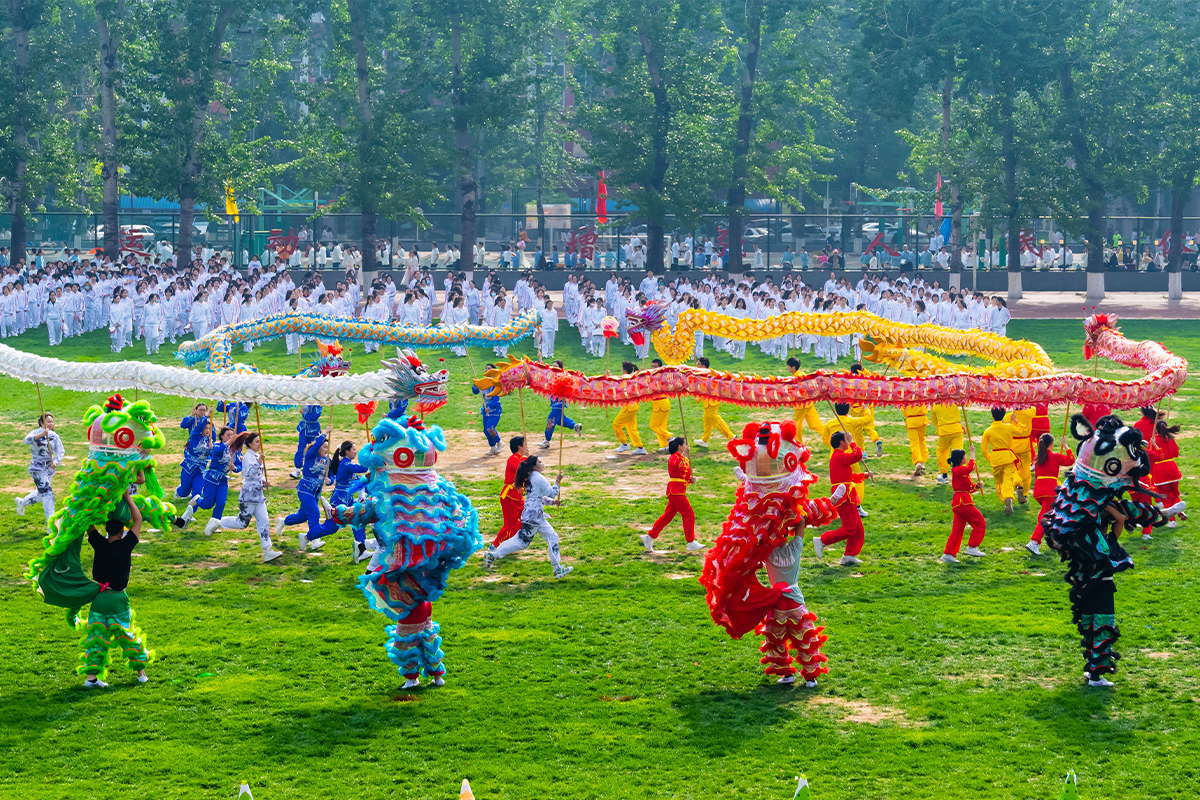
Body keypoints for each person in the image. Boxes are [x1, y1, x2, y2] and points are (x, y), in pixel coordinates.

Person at [80, 486, 151, 689]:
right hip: (117, 599)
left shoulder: (98, 543)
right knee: (127, 635)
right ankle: (141, 674)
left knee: (96, 636)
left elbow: (89, 524)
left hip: (99, 598)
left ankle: (91, 678)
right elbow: (138, 520)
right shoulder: (125, 544)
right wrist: (127, 497)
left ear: (107, 530)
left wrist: (94, 503)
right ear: (121, 531)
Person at [483, 455, 573, 578]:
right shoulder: (539, 478)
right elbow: (551, 493)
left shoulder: (530, 477)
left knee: (552, 536)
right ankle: (494, 555)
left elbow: (539, 496)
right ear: (534, 466)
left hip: (534, 514)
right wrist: (557, 481)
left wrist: (553, 503)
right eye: (540, 462)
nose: (542, 463)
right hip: (534, 515)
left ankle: (557, 568)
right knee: (521, 542)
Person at [204, 432, 284, 563]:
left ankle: (267, 551)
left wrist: (264, 482)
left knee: (264, 521)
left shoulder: (257, 456)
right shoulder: (248, 457)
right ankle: (217, 522)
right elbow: (248, 472)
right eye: (257, 442)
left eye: (260, 441)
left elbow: (258, 474)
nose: (259, 444)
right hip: (249, 496)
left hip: (258, 496)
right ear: (249, 444)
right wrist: (259, 461)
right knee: (242, 523)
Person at [812, 430, 871, 566]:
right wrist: (853, 442)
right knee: (850, 528)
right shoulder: (839, 456)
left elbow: (847, 478)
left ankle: (849, 555)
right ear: (841, 442)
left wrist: (863, 476)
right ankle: (822, 540)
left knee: (858, 529)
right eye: (846, 439)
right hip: (843, 497)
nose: (848, 440)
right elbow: (857, 455)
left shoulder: (839, 457)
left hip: (847, 495)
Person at [639, 438, 704, 551]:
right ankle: (690, 542)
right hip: (675, 491)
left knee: (667, 517)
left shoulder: (683, 459)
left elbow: (684, 476)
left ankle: (649, 537)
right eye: (684, 444)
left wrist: (690, 480)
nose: (686, 446)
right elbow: (676, 466)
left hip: (678, 490)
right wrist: (684, 455)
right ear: (680, 446)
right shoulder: (674, 457)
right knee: (688, 514)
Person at [275, 433, 334, 552]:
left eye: (327, 447)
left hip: (316, 492)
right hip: (305, 489)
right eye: (324, 447)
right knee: (314, 512)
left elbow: (332, 476)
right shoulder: (311, 456)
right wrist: (325, 432)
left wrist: (329, 481)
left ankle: (283, 521)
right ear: (318, 447)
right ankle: (314, 540)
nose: (326, 450)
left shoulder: (328, 461)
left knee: (302, 516)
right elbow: (316, 445)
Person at [174, 426, 240, 529]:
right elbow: (217, 451)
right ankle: (197, 499)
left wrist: (235, 468)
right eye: (228, 435)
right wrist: (228, 442)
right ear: (222, 436)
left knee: (221, 502)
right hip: (211, 479)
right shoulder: (217, 446)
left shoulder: (235, 450)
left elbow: (240, 465)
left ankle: (214, 525)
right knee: (208, 504)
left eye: (232, 435)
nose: (230, 437)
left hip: (223, 481)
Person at [1027, 433, 1076, 555]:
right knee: (1045, 517)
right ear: (1051, 444)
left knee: (1045, 515)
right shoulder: (1054, 455)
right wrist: (1065, 446)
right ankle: (1034, 541)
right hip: (1050, 489)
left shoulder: (1039, 457)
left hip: (1038, 489)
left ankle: (1052, 538)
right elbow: (1071, 460)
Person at [325, 439, 372, 563]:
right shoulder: (346, 465)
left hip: (348, 498)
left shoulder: (347, 464)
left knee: (358, 520)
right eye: (354, 450)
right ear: (347, 452)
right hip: (340, 498)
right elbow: (363, 468)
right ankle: (309, 537)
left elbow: (358, 480)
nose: (355, 452)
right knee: (332, 526)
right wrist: (371, 456)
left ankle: (361, 548)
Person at [16, 413, 65, 522]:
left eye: (52, 422)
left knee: (41, 495)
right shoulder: (35, 433)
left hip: (49, 469)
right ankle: (51, 524)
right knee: (48, 494)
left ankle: (22, 502)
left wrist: (56, 462)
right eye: (48, 422)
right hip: (37, 469)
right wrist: (42, 434)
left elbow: (61, 451)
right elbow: (26, 440)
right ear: (41, 423)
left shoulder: (54, 436)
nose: (51, 424)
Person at [941, 449, 987, 563]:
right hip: (963, 503)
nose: (966, 458)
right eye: (965, 456)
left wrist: (977, 486)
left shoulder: (961, 472)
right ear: (960, 459)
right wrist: (973, 454)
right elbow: (969, 468)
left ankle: (948, 553)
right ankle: (972, 547)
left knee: (957, 530)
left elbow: (970, 488)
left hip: (960, 503)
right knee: (980, 523)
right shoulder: (957, 469)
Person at [488, 436, 528, 556]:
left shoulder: (521, 459)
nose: (526, 445)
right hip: (510, 496)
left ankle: (509, 544)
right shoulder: (513, 459)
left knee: (527, 518)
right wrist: (526, 458)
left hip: (518, 496)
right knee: (509, 525)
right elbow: (521, 470)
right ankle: (494, 546)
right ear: (519, 446)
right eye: (524, 443)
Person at [980, 407, 1019, 514]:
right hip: (1008, 457)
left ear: (992, 416)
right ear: (1004, 414)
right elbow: (1022, 432)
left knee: (1000, 482)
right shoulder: (1009, 427)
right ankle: (1008, 497)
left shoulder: (988, 431)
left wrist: (989, 457)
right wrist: (1016, 422)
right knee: (1008, 480)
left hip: (996, 459)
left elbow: (984, 449)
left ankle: (1006, 498)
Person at [693, 356, 734, 448]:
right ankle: (705, 440)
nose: (697, 366)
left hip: (712, 401)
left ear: (703, 366)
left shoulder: (710, 374)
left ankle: (731, 436)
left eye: (698, 364)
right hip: (707, 401)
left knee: (715, 419)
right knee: (707, 421)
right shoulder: (701, 374)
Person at [541, 361, 583, 448]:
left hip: (559, 404)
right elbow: (544, 374)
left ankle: (547, 441)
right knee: (560, 420)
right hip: (555, 404)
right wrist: (540, 358)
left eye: (556, 366)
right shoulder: (552, 377)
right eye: (553, 366)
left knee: (550, 420)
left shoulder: (563, 377)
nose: (554, 367)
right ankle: (576, 426)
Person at [1152, 419, 1184, 528]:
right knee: (1174, 494)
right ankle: (1179, 510)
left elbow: (1150, 456)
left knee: (1165, 497)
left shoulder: (1153, 441)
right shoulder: (1170, 439)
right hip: (1172, 469)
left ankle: (1172, 519)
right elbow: (1175, 453)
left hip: (1160, 471)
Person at [785, 357, 823, 444]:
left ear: (793, 367)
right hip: (808, 403)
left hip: (801, 405)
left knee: (797, 423)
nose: (787, 367)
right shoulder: (802, 374)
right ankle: (830, 438)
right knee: (815, 424)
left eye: (788, 366)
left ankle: (798, 443)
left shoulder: (796, 378)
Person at [612, 361, 647, 455]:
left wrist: (608, 377)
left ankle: (624, 444)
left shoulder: (627, 379)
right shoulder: (633, 378)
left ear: (624, 369)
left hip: (629, 406)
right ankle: (640, 447)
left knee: (616, 424)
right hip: (633, 406)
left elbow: (615, 383)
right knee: (632, 428)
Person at [472, 366, 504, 455]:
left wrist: (489, 408)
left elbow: (496, 398)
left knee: (489, 428)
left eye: (489, 368)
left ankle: (500, 443)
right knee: (486, 431)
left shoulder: (496, 383)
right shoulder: (483, 382)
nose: (487, 370)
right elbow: (475, 391)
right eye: (486, 368)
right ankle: (493, 447)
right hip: (485, 410)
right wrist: (475, 385)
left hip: (494, 410)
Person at [931, 403, 964, 483]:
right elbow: (965, 402)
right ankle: (960, 475)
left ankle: (944, 475)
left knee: (942, 452)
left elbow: (934, 421)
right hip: (957, 430)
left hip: (944, 432)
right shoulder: (953, 401)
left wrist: (942, 427)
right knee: (958, 452)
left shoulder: (934, 406)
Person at [647, 359, 673, 452]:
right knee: (660, 427)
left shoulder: (659, 377)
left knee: (653, 426)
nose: (653, 368)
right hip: (663, 403)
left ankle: (670, 437)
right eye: (652, 366)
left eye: (655, 366)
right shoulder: (656, 376)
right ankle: (665, 446)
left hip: (661, 403)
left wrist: (645, 375)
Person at [291, 404, 323, 478]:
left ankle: (315, 467)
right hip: (304, 428)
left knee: (314, 448)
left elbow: (315, 416)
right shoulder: (305, 401)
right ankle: (298, 468)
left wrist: (304, 414)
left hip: (314, 429)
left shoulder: (318, 404)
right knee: (301, 448)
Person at [902, 404, 929, 477]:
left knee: (914, 442)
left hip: (911, 420)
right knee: (922, 440)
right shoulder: (923, 392)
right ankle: (923, 460)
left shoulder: (906, 393)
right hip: (922, 418)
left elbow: (903, 407)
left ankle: (918, 461)